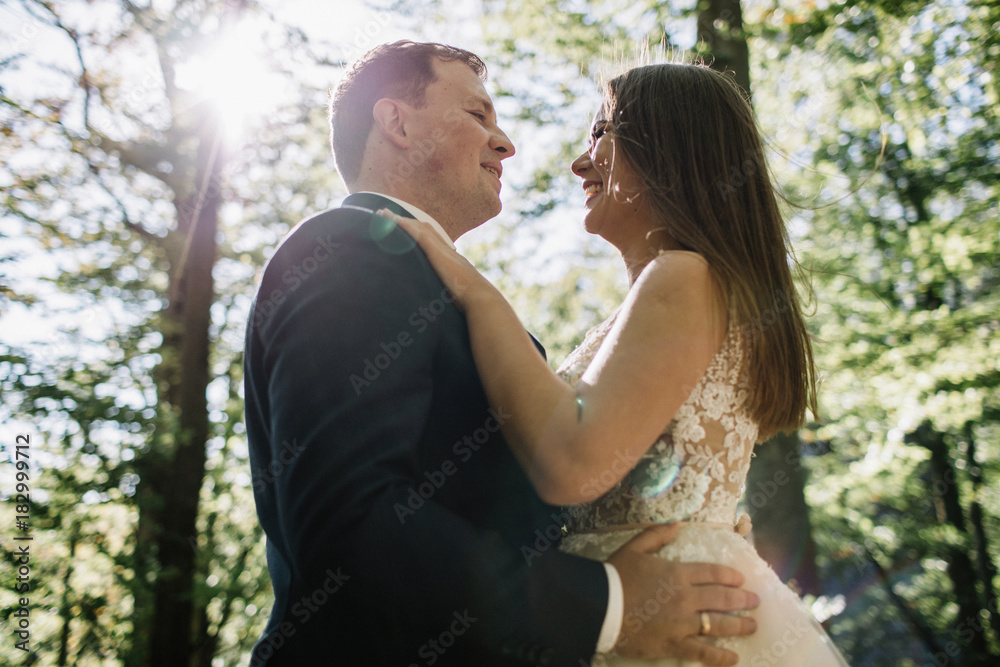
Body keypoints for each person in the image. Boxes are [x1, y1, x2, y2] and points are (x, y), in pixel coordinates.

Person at [243, 42, 759, 667]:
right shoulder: (349, 249)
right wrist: (606, 604)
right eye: (478, 115)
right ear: (396, 123)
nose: (505, 142)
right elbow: (350, 520)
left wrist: (689, 536)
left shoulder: (451, 294)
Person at [380, 62, 851, 665]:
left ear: (673, 151)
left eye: (602, 133)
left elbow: (571, 465)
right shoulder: (687, 292)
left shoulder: (684, 274)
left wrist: (473, 292)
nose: (581, 163)